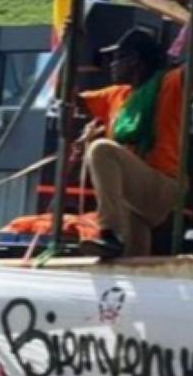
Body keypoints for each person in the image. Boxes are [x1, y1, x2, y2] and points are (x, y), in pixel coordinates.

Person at [77, 28, 186, 259]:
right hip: (133, 194)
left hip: (162, 188)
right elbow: (70, 97)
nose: (111, 66)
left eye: (117, 59)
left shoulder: (169, 84)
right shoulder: (115, 95)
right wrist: (70, 47)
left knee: (102, 150)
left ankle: (108, 232)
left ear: (135, 60)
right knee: (131, 262)